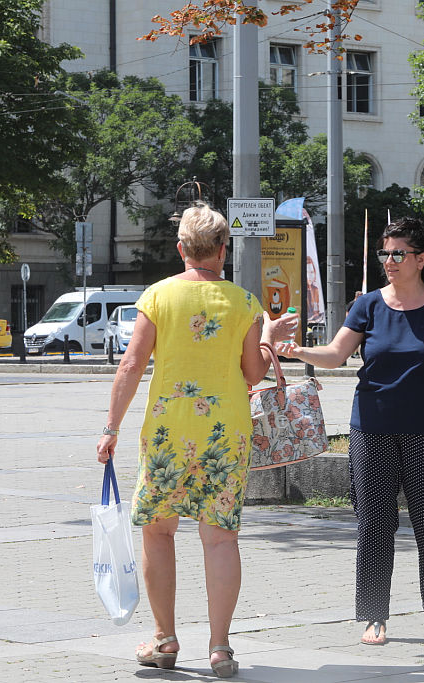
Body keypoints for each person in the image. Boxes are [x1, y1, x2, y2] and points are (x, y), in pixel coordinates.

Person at [95, 203, 295, 677]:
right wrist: (267, 337)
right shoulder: (244, 302)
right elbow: (252, 371)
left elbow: (131, 365)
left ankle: (164, 640)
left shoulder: (158, 297)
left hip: (168, 431)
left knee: (158, 532)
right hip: (225, 433)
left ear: (181, 248)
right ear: (224, 249)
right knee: (221, 539)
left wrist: (110, 428)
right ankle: (221, 647)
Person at [276, 217, 424, 646]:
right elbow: (336, 354)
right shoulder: (368, 305)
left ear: (420, 259)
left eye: (397, 254)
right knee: (374, 523)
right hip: (371, 428)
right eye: (384, 254)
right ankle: (374, 615)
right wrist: (297, 351)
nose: (388, 261)